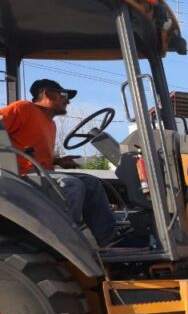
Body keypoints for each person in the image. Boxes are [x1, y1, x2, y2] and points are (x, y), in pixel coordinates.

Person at [0, 78, 117, 246]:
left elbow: (31, 151)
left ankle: (109, 240)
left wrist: (58, 161)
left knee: (91, 183)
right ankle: (64, 241)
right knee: (71, 185)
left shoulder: (51, 124)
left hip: (42, 174)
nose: (68, 101)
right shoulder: (23, 108)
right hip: (21, 177)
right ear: (47, 94)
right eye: (64, 95)